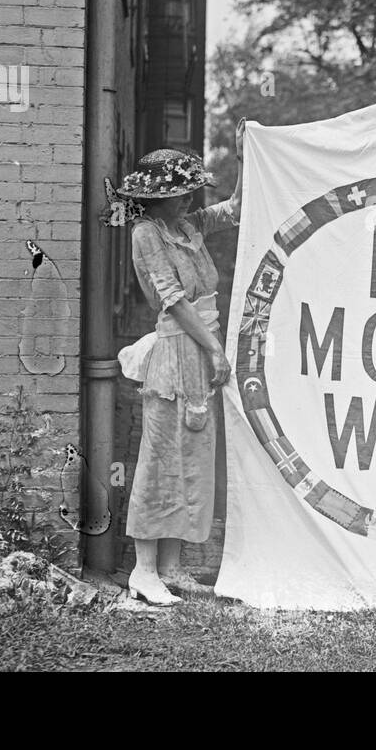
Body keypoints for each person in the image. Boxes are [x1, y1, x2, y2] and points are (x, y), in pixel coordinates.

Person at [114, 131, 244, 605]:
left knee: (191, 459)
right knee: (160, 460)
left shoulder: (188, 226)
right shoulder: (147, 232)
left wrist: (244, 158)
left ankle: (172, 567)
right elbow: (173, 302)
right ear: (162, 197)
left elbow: (234, 209)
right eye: (182, 192)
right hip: (178, 349)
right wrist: (214, 349)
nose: (190, 198)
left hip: (199, 349)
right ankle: (143, 570)